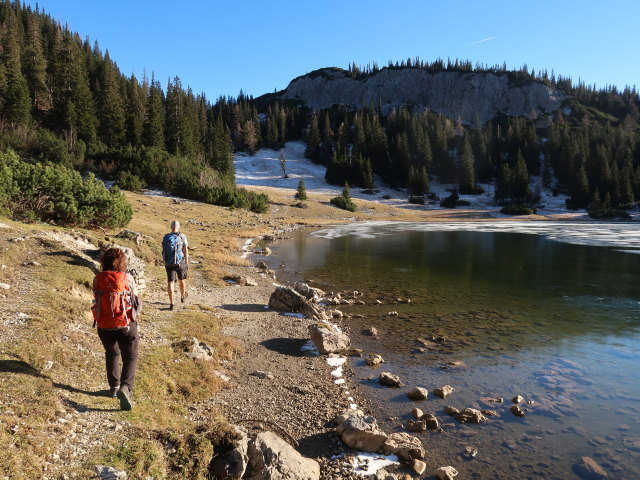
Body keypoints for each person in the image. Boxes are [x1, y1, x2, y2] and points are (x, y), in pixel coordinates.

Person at [92, 247, 140, 411]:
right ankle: (125, 388)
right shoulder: (127, 278)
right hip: (125, 324)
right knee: (131, 356)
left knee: (112, 353)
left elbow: (96, 298)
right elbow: (136, 301)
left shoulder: (97, 278)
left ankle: (113, 387)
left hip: (104, 325)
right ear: (122, 262)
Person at [162, 220, 189, 310]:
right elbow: (185, 249)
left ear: (171, 227)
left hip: (169, 262)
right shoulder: (182, 236)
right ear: (178, 227)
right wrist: (187, 261)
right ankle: (182, 296)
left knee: (171, 282)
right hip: (180, 262)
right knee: (182, 280)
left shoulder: (166, 237)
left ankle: (171, 303)